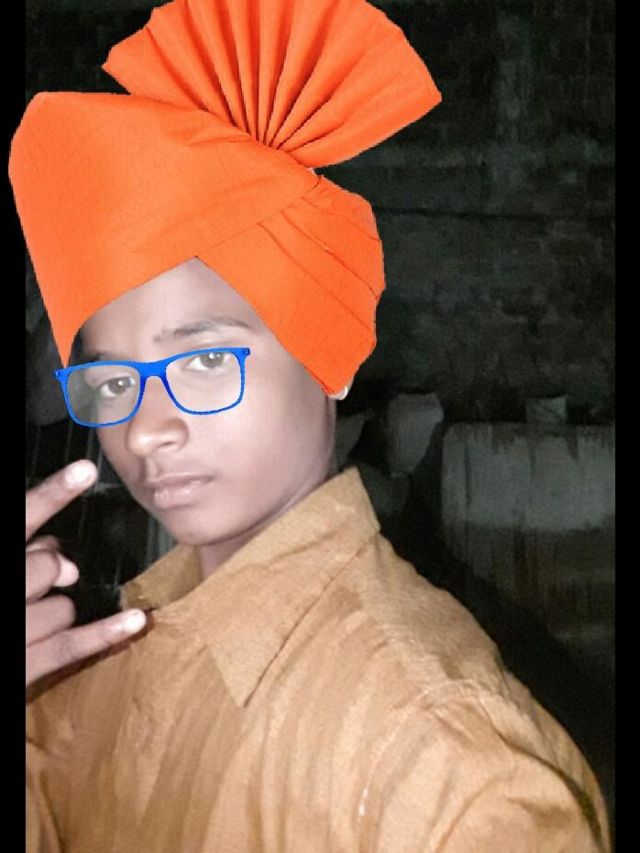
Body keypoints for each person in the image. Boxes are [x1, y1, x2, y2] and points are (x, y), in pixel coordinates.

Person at [16, 0, 611, 849]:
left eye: (205, 360)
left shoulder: (442, 759)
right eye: (112, 380)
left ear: (328, 355)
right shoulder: (94, 671)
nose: (144, 433)